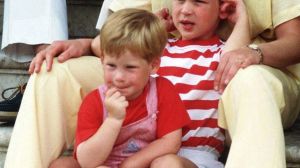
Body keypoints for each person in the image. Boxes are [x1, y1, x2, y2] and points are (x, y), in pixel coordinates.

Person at [4, 0, 300, 168]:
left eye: (198, 1)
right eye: (180, 1)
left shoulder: (219, 55)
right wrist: (85, 43)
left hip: (188, 152)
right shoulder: (160, 51)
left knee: (166, 164)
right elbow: (122, 44)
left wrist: (242, 18)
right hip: (137, 149)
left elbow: (236, 55)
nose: (185, 10)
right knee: (61, 165)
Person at [52, 8, 191, 168]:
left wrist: (131, 164)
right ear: (102, 60)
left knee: (169, 163)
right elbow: (86, 161)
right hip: (103, 164)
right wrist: (113, 120)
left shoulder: (162, 91)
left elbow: (171, 142)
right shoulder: (94, 101)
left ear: (153, 65)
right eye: (111, 65)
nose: (118, 77)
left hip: (146, 164)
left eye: (130, 67)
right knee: (61, 165)